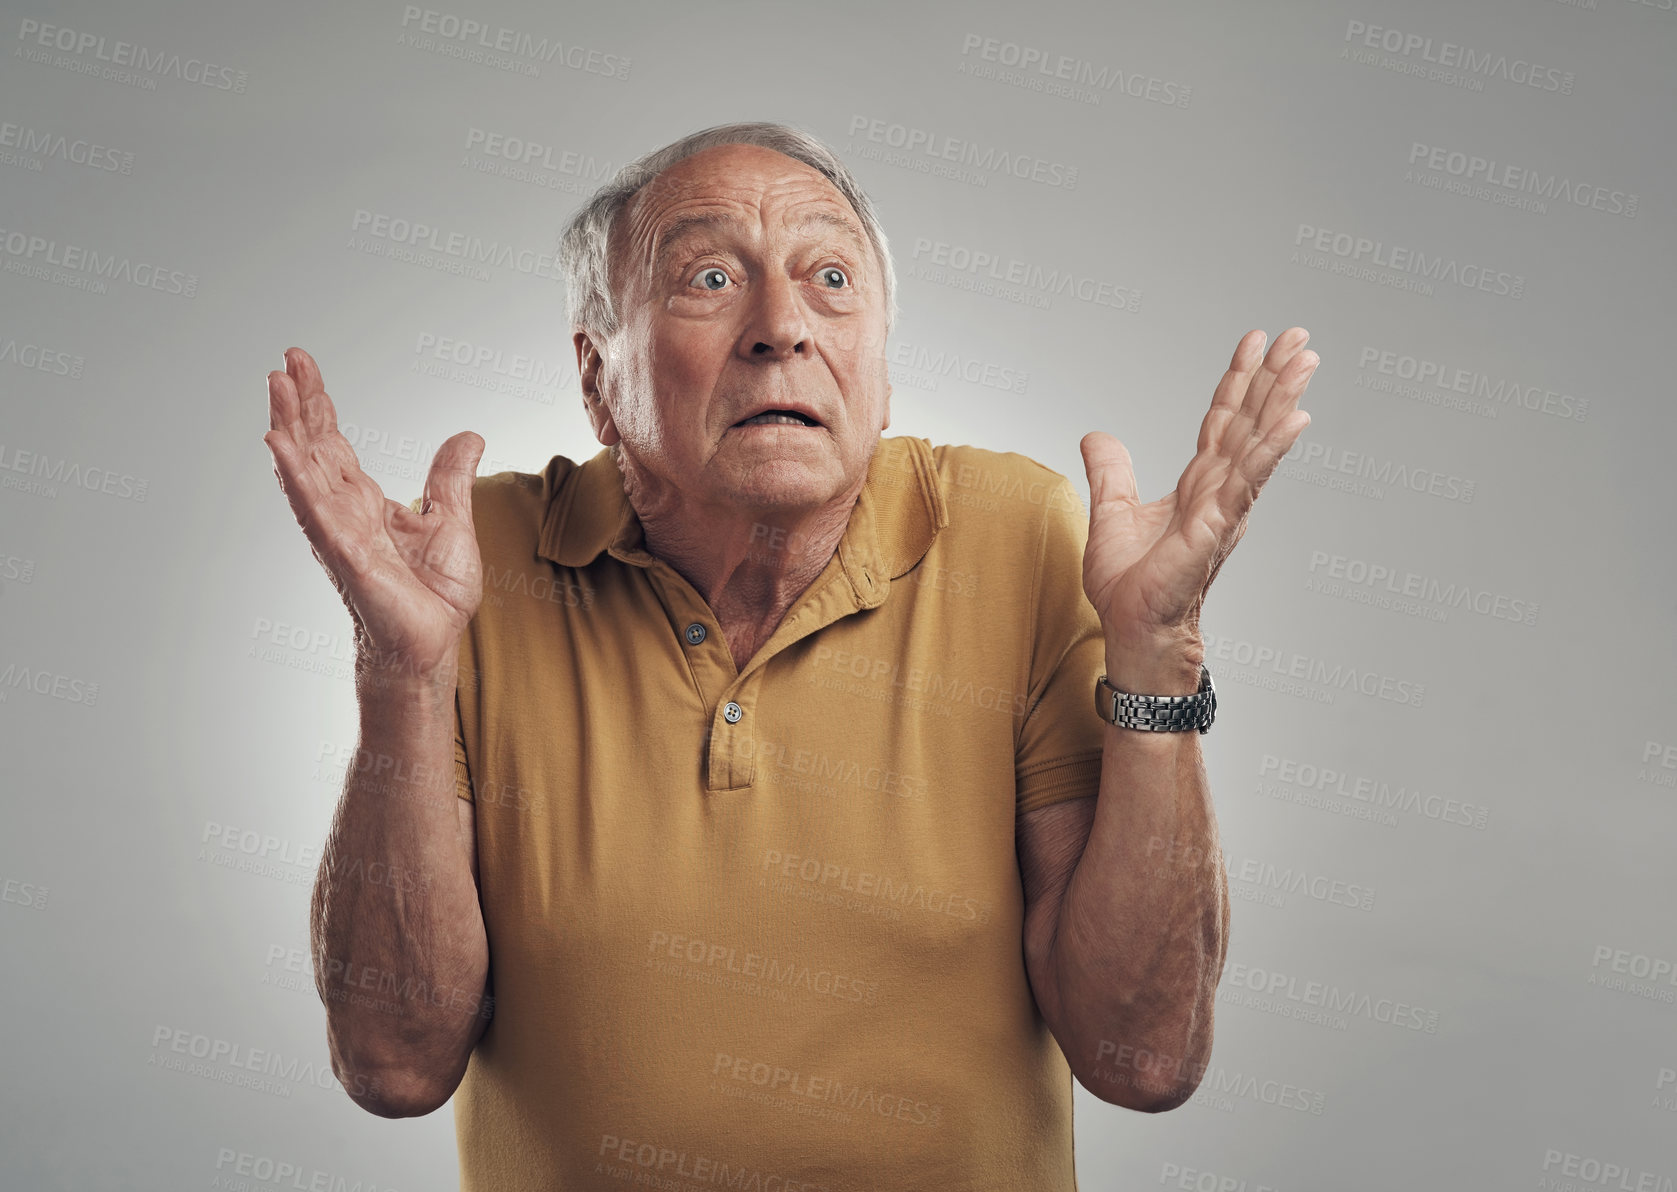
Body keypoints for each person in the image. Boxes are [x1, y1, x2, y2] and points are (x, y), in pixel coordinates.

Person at [263, 121, 1317, 1190]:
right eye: (710, 276)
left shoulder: (1022, 539)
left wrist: (1156, 652)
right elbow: (395, 1063)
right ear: (596, 377)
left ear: (883, 366)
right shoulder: (479, 565)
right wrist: (401, 676)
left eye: (831, 278)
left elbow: (1144, 1058)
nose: (783, 328)